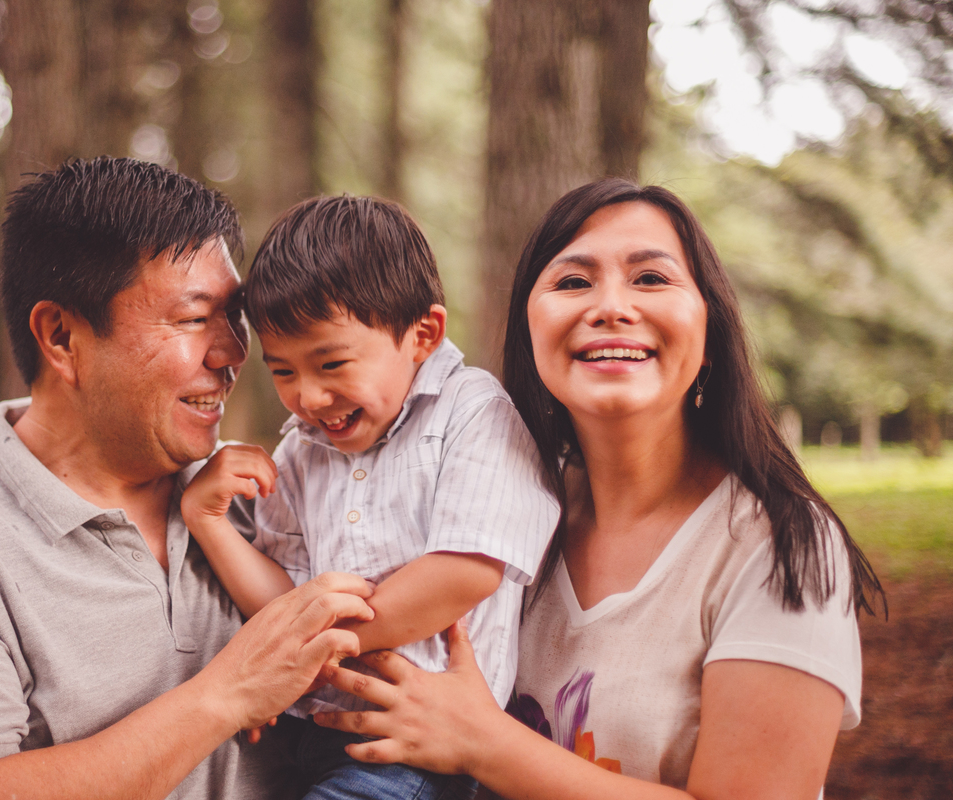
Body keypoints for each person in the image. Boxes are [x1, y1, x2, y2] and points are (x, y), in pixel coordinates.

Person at [312, 179, 884, 799]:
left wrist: (484, 743)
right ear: (529, 331)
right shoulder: (489, 515)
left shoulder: (778, 544)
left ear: (711, 333)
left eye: (651, 279)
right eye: (573, 282)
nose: (611, 306)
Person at [0, 157, 377, 800]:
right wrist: (228, 693)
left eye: (232, 316)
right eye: (191, 319)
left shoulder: (263, 493)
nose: (234, 354)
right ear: (61, 335)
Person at [177, 195, 560, 800]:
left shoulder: (472, 412)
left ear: (422, 336)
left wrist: (310, 649)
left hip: (414, 738)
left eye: (332, 363)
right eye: (283, 372)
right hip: (306, 732)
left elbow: (465, 573)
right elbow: (284, 601)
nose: (309, 396)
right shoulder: (299, 454)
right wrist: (208, 521)